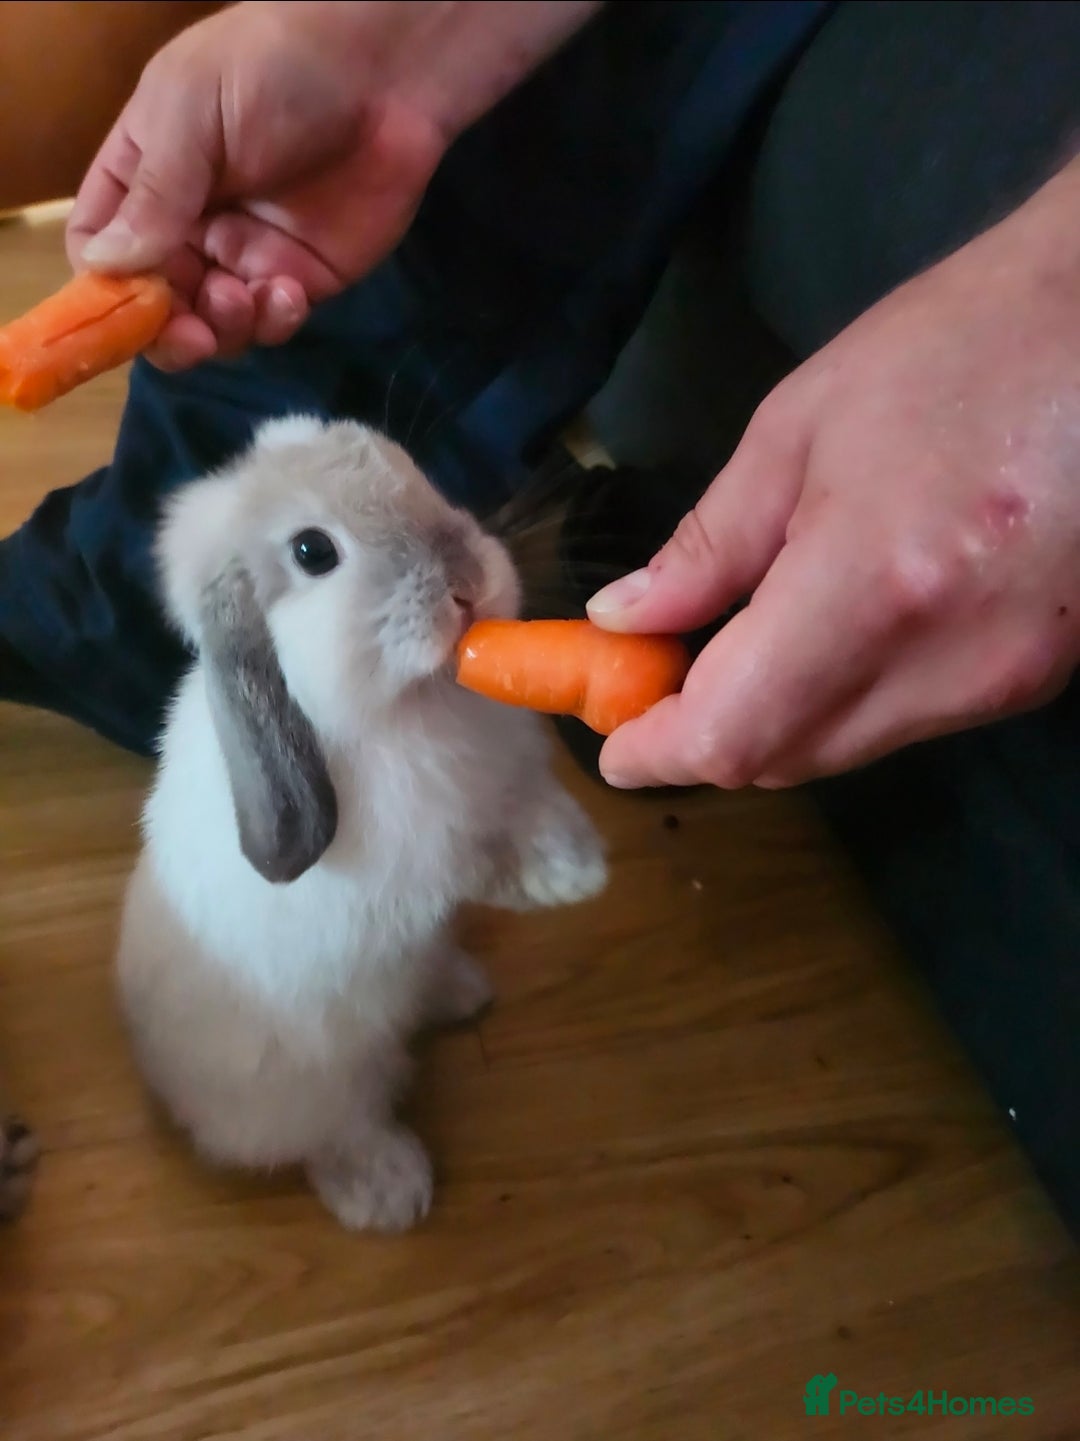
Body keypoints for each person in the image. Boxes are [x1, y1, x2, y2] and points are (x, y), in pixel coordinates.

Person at [2, 1, 1079, 1233]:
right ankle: (336, 1136)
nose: (465, 564)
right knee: (295, 1080)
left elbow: (478, 790)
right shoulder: (267, 745)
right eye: (319, 553)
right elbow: (356, 871)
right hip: (278, 1026)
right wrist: (383, 45)